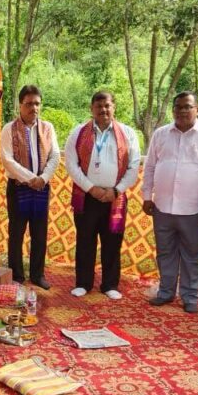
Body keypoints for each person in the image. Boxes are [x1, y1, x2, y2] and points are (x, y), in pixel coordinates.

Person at [142, 92, 198, 313]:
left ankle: (190, 296)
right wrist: (147, 196)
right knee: (165, 252)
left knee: (193, 255)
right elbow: (149, 167)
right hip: (163, 206)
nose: (182, 111)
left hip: (195, 208)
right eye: (178, 107)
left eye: (187, 107)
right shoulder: (161, 134)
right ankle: (166, 292)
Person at [65, 91, 140, 300]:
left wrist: (116, 190)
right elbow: (71, 164)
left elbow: (134, 166)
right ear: (92, 109)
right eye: (98, 106)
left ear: (113, 107)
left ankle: (109, 284)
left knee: (112, 241)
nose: (103, 110)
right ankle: (83, 283)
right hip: (87, 195)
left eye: (107, 105)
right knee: (85, 240)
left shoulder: (128, 133)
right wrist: (91, 188)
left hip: (115, 197)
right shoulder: (78, 132)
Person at [0, 85, 61, 290]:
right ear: (20, 105)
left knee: (40, 232)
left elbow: (55, 156)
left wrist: (42, 178)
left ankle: (37, 274)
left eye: (36, 103)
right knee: (16, 232)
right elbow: (7, 160)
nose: (33, 108)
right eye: (28, 104)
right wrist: (30, 178)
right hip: (19, 187)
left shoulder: (48, 128)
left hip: (41, 188)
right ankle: (17, 274)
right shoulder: (9, 129)